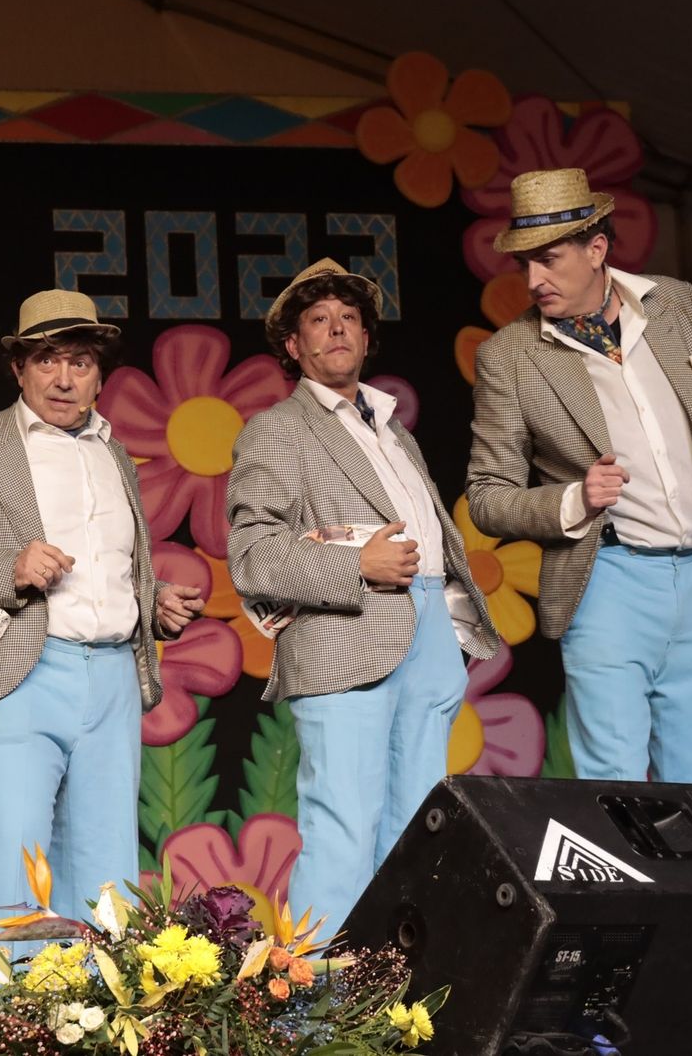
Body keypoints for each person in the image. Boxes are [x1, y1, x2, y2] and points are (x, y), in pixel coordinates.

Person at [0, 289, 203, 943]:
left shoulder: (113, 454)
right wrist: (8, 567)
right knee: (16, 850)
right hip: (27, 670)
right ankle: (8, 1021)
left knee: (106, 859)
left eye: (80, 362)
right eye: (48, 360)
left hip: (114, 675)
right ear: (19, 367)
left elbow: (106, 563)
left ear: (99, 372)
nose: (64, 378)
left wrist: (152, 600)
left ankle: (96, 1017)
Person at [227, 259, 498, 931]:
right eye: (317, 320)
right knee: (344, 825)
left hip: (430, 630)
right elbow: (253, 555)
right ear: (293, 346)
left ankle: (396, 1006)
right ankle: (322, 1016)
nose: (337, 330)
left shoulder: (391, 426)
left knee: (418, 834)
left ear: (367, 336)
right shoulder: (278, 429)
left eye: (348, 318)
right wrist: (357, 566)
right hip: (344, 638)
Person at [467, 167, 692, 786]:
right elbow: (488, 497)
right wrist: (574, 498)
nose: (534, 280)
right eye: (526, 264)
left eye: (549, 260)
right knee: (615, 792)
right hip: (607, 581)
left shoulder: (675, 304)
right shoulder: (510, 357)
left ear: (597, 249)